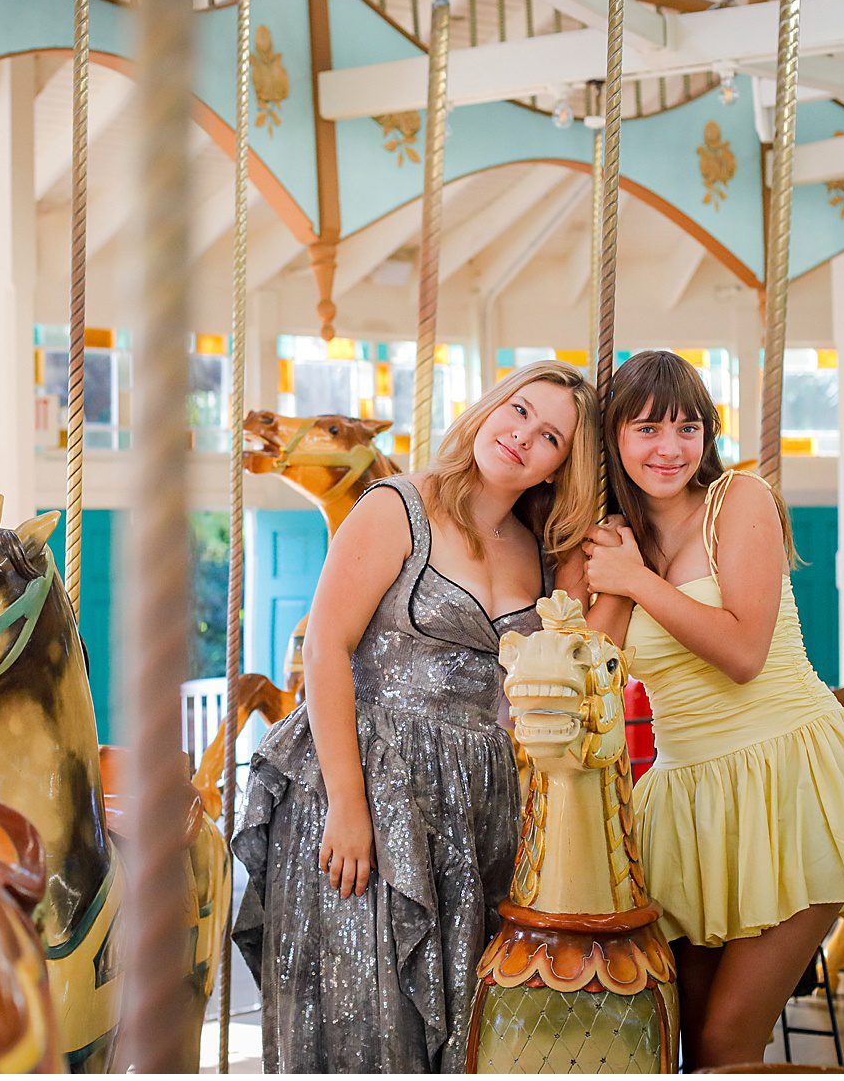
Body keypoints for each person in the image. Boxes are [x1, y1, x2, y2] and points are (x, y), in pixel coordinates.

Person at [231, 361, 602, 1072]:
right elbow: (326, 646)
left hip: (475, 800)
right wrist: (346, 802)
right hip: (371, 778)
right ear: (491, 407)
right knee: (366, 1014)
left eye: (549, 434)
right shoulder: (398, 505)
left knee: (465, 1013)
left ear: (560, 466)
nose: (523, 435)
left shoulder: (535, 549)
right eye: (518, 410)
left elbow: (575, 657)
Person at [563, 349, 844, 1070]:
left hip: (789, 776)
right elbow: (592, 669)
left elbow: (743, 651)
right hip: (689, 802)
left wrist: (635, 580)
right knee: (687, 1047)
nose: (669, 448)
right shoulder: (616, 539)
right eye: (647, 428)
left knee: (727, 1043)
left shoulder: (739, 499)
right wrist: (618, 580)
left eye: (687, 428)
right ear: (613, 438)